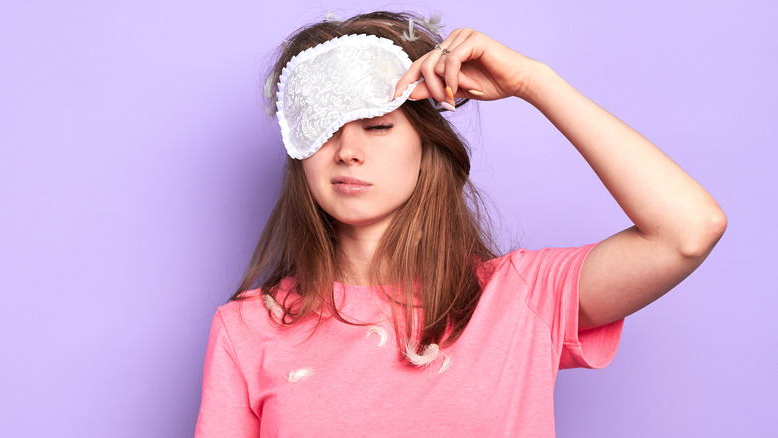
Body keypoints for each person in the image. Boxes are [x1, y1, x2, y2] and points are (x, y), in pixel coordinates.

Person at [195, 11, 726, 437]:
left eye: (378, 126)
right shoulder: (248, 329)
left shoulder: (521, 299)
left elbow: (689, 230)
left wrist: (531, 81)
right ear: (299, 152)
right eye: (325, 129)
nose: (348, 152)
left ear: (428, 145)